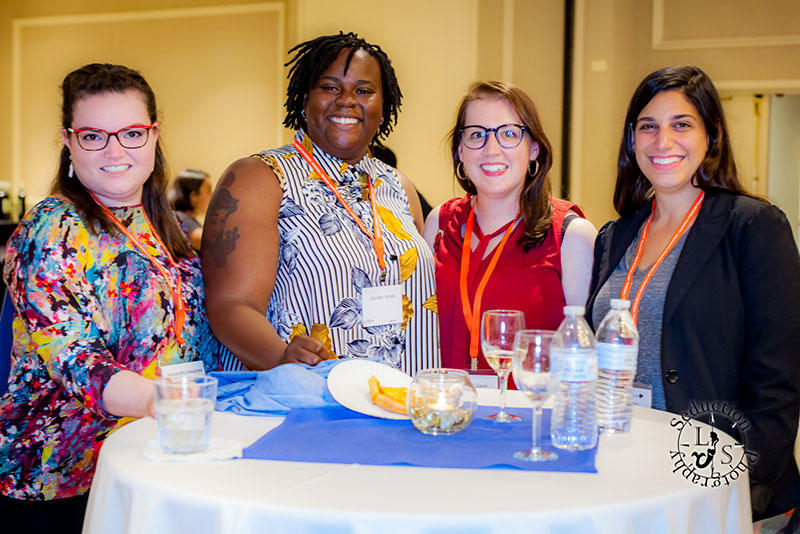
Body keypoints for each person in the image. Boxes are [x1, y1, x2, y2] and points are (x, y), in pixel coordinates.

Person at [0, 63, 216, 532]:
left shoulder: (171, 227)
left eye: (132, 133)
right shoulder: (49, 229)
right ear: (69, 140)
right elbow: (75, 358)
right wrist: (168, 402)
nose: (116, 150)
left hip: (155, 455)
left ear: (154, 135)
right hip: (63, 477)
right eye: (95, 136)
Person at [585, 65, 800, 520]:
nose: (663, 142)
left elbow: (777, 384)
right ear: (632, 141)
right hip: (627, 472)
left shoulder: (754, 227)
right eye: (648, 127)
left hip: (717, 484)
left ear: (711, 136)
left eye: (681, 124)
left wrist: (738, 494)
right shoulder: (615, 236)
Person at [202, 32, 439, 374]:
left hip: (401, 404)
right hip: (305, 405)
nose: (346, 100)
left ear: (382, 106)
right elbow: (230, 305)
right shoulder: (260, 177)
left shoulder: (398, 186)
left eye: (363, 90)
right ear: (303, 98)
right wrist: (281, 357)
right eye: (329, 87)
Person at [422, 81, 596, 372]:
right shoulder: (439, 224)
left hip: (530, 413)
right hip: (447, 411)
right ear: (461, 152)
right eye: (476, 134)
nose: (491, 149)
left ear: (534, 149)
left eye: (509, 134)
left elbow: (585, 361)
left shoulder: (571, 235)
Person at [169, 168, 213, 250]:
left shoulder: (188, 218)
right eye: (208, 191)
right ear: (193, 196)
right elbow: (208, 241)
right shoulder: (180, 217)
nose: (212, 195)